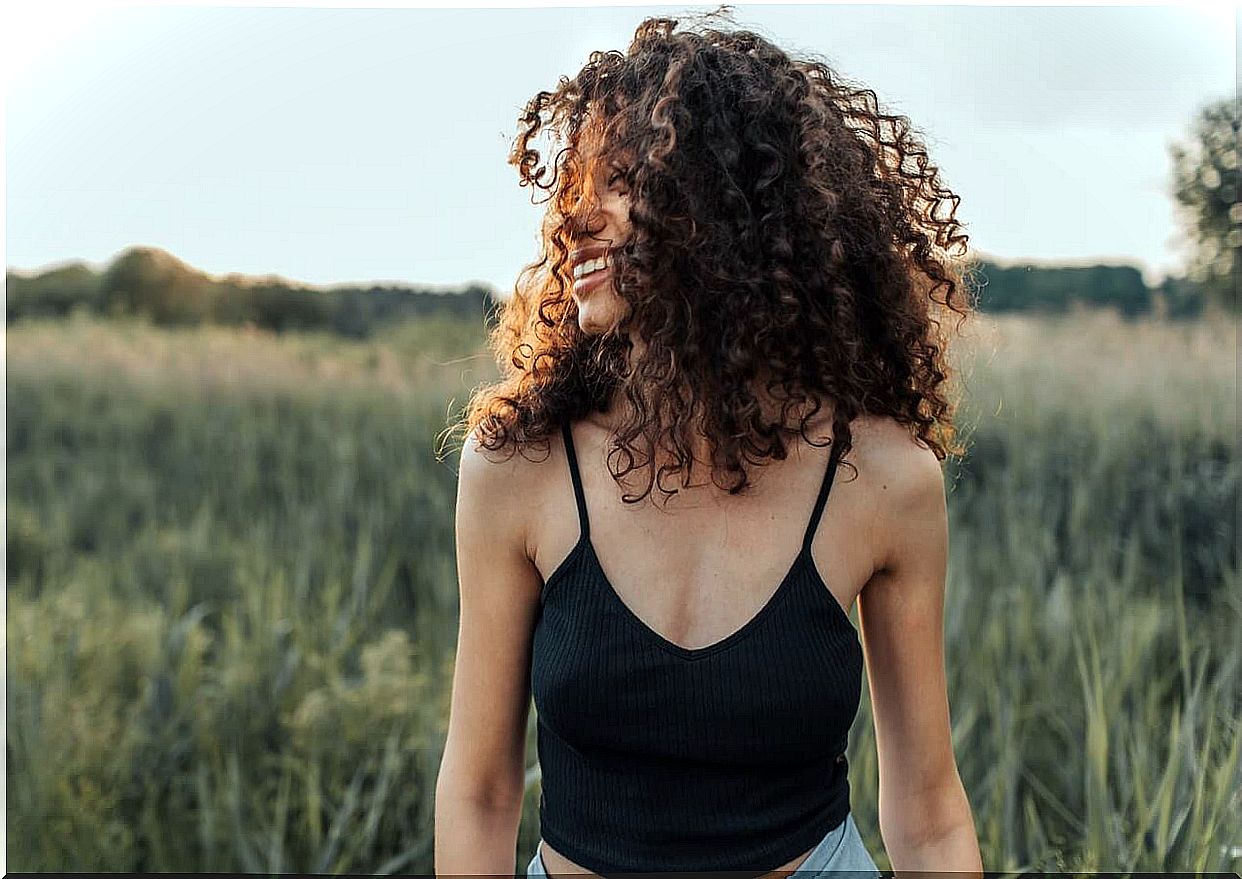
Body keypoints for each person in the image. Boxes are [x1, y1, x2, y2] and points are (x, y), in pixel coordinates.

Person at [436, 10, 984, 878]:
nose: (574, 216)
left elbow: (926, 809)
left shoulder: (884, 479)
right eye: (574, 183)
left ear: (722, 207)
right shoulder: (520, 463)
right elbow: (479, 791)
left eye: (616, 179)